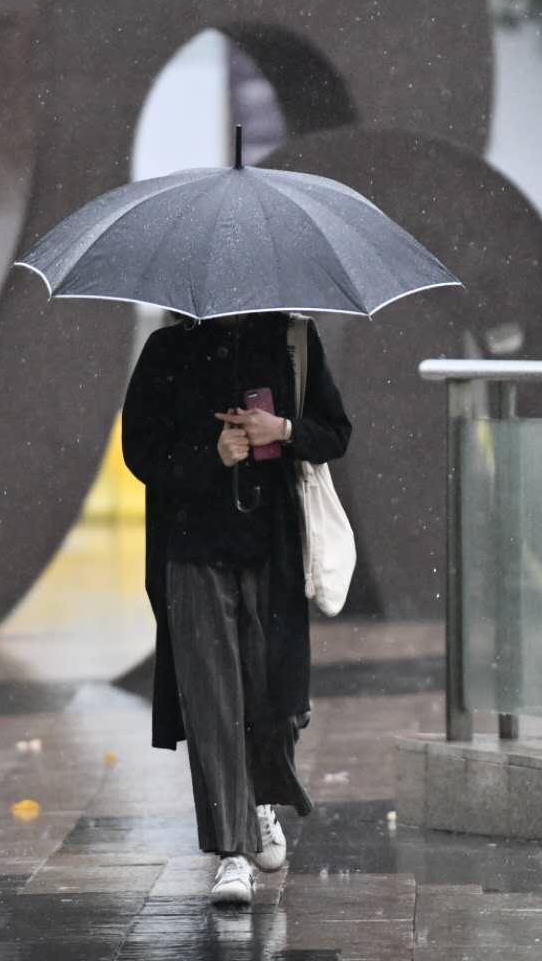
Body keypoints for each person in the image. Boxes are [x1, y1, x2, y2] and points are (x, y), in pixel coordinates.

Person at [122, 310, 352, 906]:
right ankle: (231, 852)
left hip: (273, 551)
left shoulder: (293, 341)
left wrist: (282, 429)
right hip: (191, 552)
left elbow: (336, 432)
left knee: (271, 694)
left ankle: (262, 804)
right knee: (211, 699)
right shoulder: (168, 349)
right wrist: (211, 453)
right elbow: (140, 452)